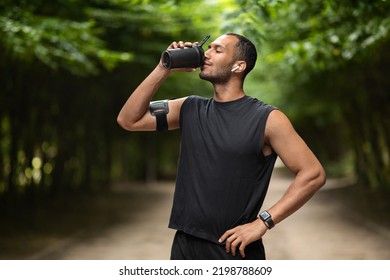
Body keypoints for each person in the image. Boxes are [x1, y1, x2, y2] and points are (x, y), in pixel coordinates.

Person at [117, 33, 326, 260]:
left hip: (233, 249)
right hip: (184, 245)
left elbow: (313, 174)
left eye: (217, 50)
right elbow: (129, 120)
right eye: (208, 48)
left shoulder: (268, 118)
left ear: (238, 66)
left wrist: (263, 222)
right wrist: (164, 67)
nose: (205, 54)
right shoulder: (188, 107)